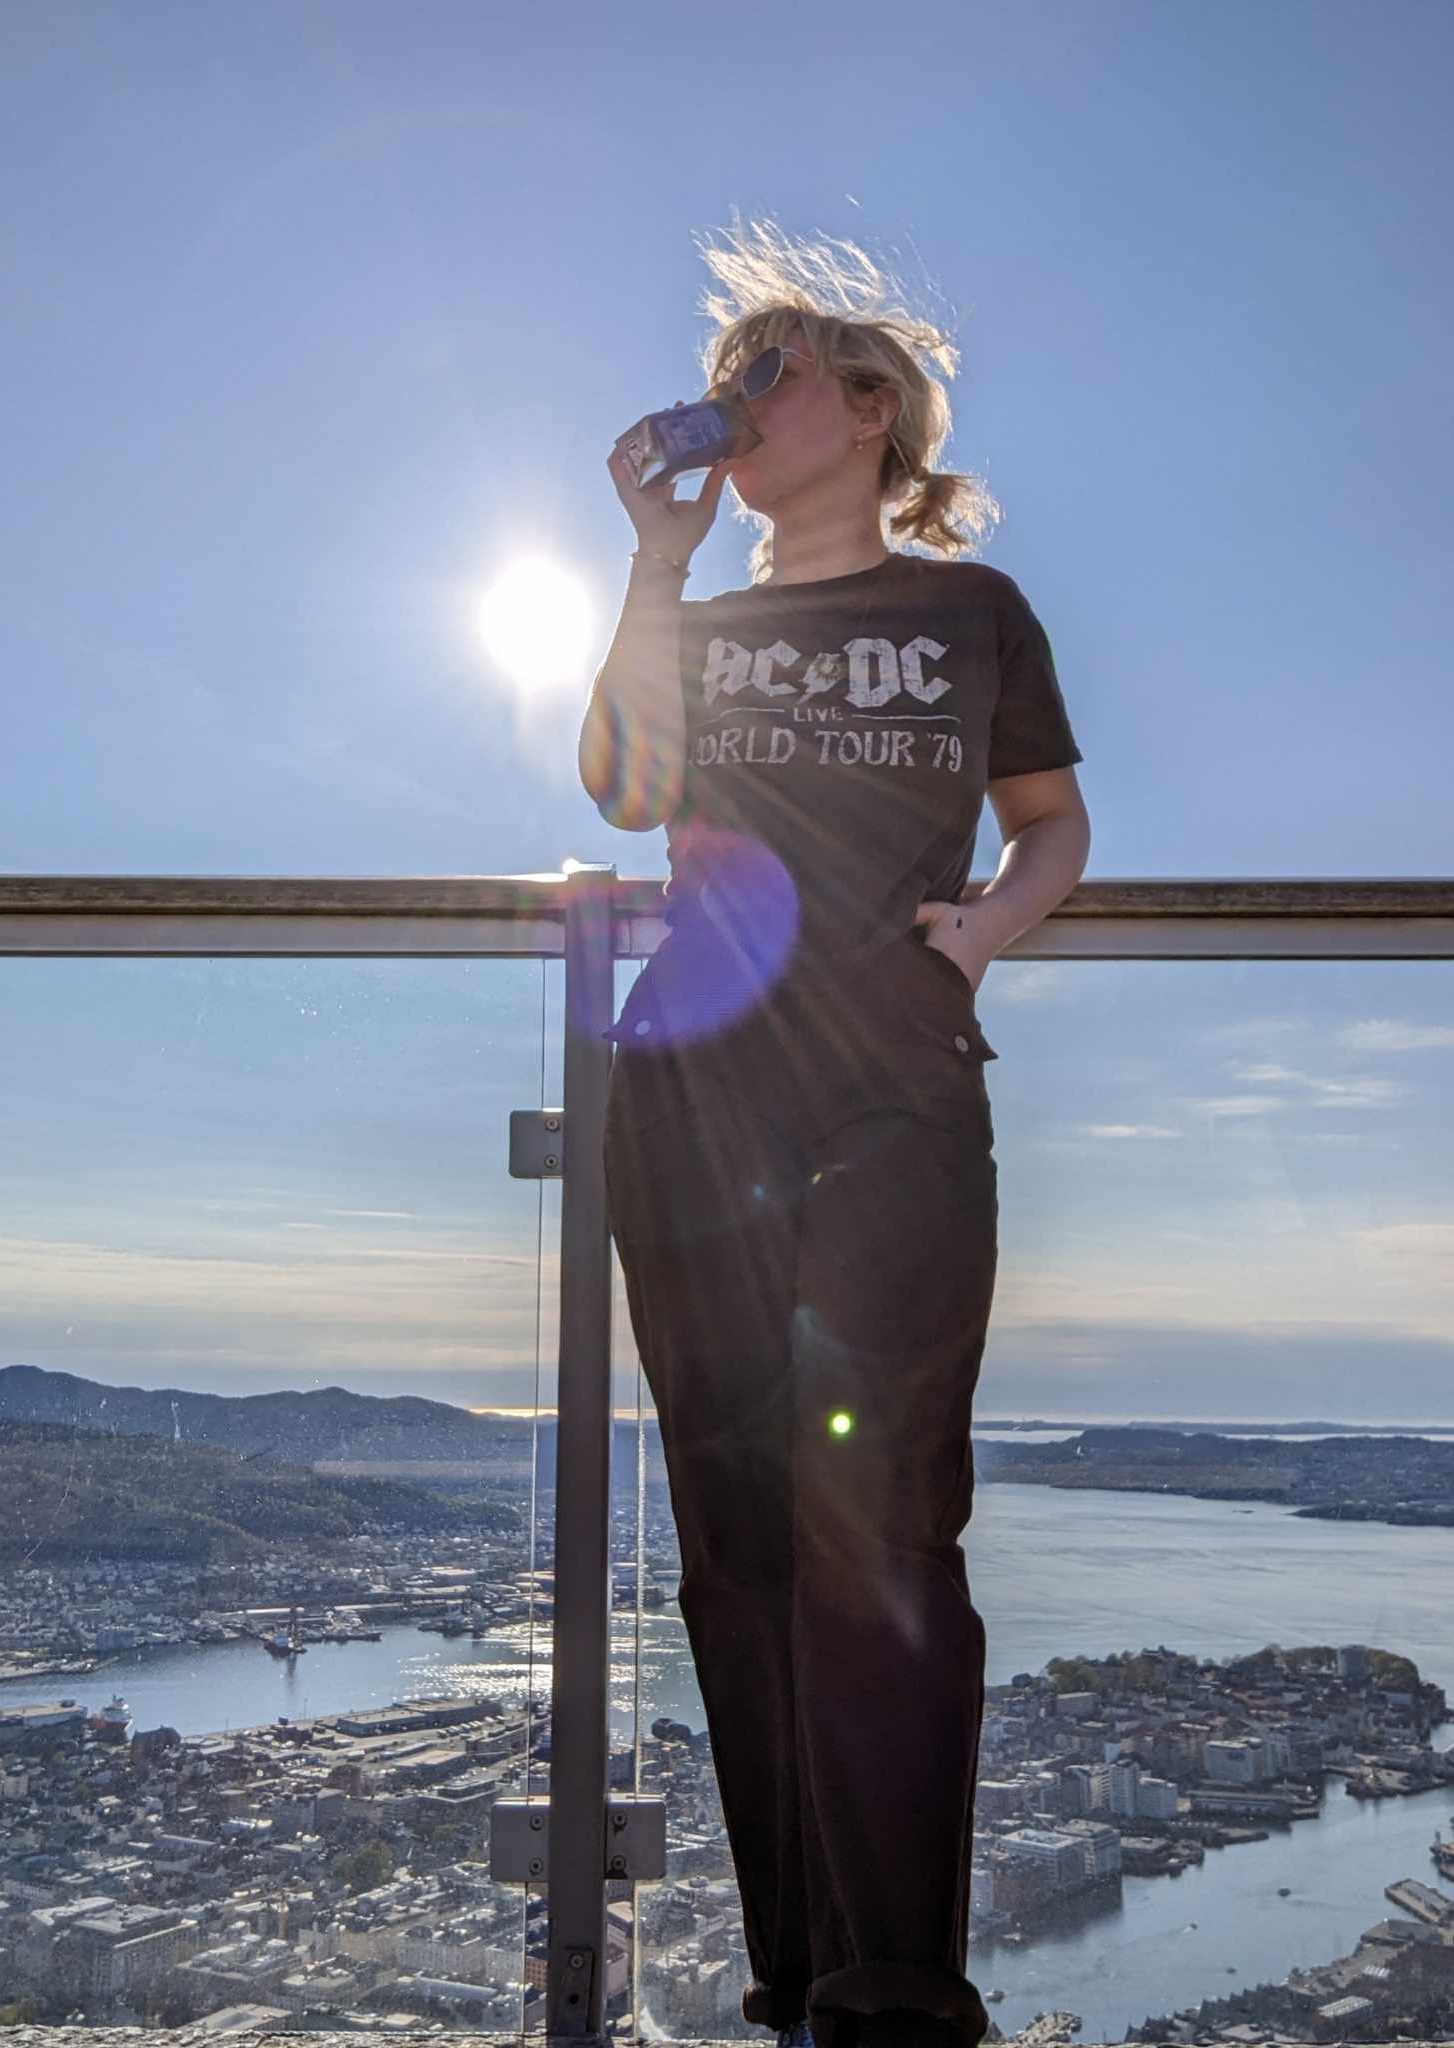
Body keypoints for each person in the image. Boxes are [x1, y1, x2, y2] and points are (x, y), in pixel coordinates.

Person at [577, 217, 1091, 2048]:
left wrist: (991, 925)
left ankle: (896, 1998)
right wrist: (656, 564)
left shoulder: (973, 617)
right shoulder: (698, 623)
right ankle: (800, 1975)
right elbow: (625, 787)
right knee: (734, 1530)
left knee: (880, 1517)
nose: (732, 403)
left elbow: (1049, 824)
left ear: (872, 412)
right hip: (693, 1095)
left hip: (894, 1084)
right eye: (727, 376)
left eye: (766, 374)